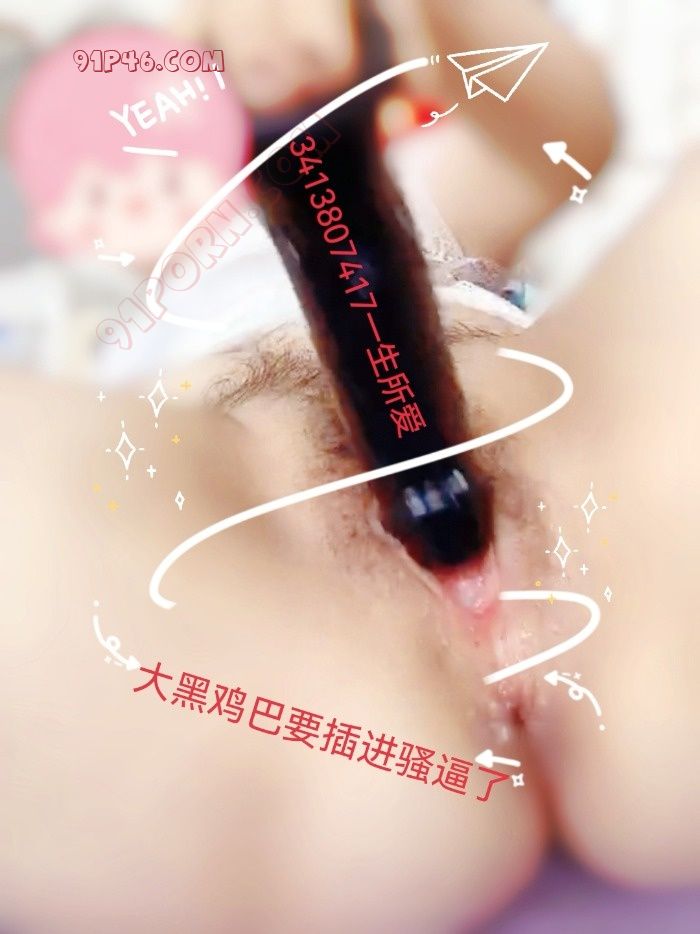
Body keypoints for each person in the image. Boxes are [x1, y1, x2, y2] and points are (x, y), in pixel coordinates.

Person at [2, 2, 698, 932]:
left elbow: (566, 139)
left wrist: (412, 19)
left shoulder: (424, 187)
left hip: (598, 480)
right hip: (252, 623)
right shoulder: (122, 346)